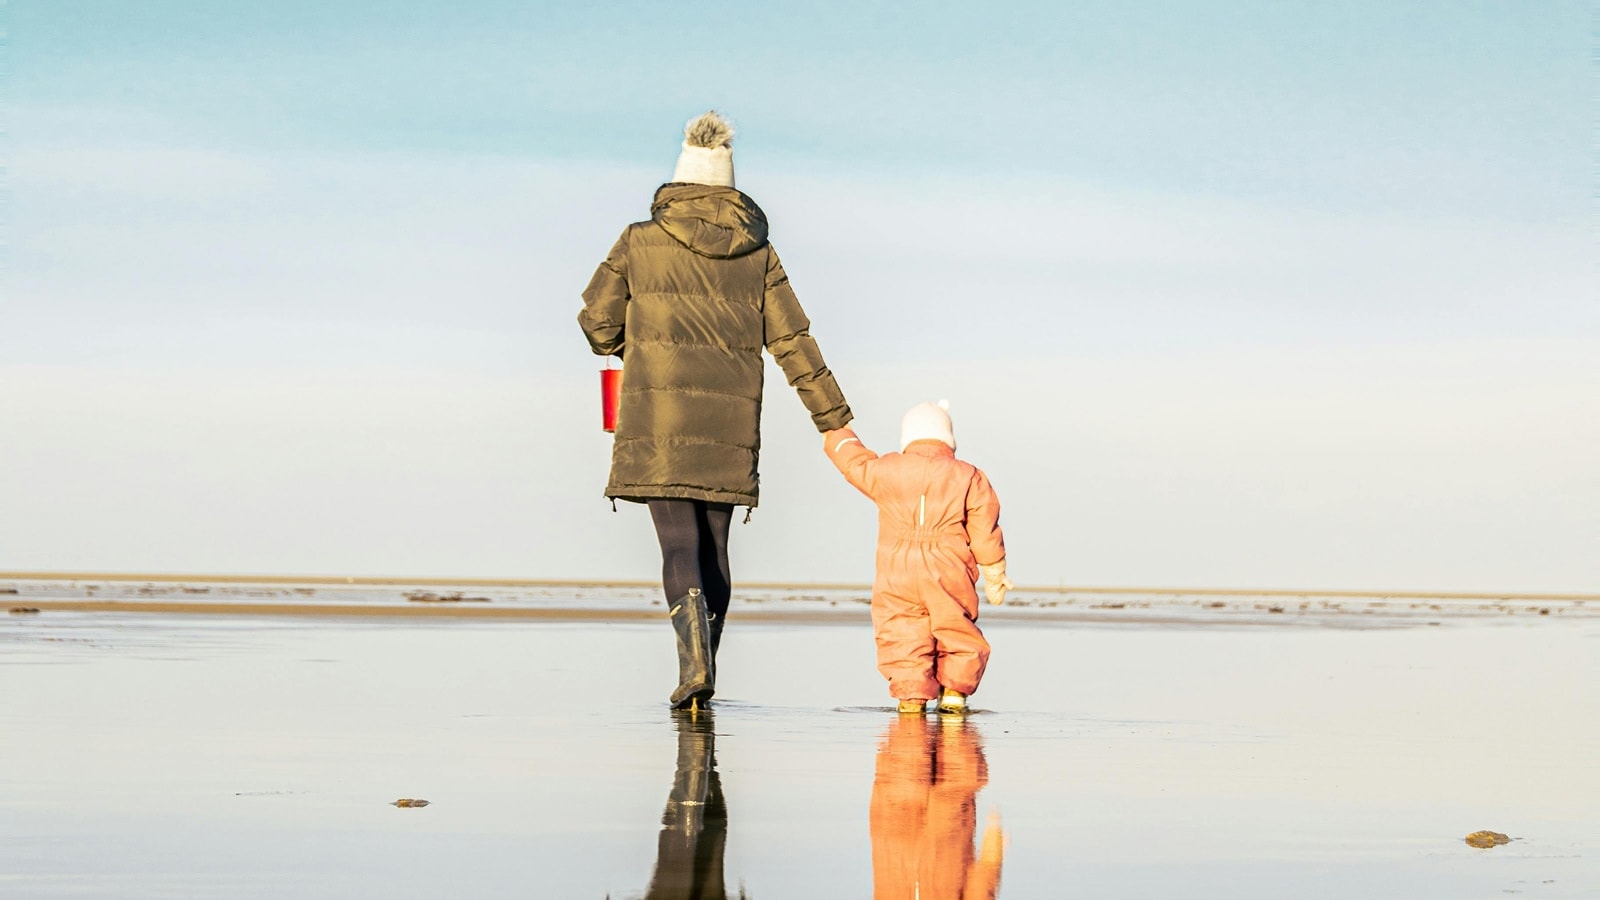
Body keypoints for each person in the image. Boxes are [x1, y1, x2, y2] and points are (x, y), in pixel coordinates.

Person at [579, 110, 853, 710]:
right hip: (730, 426)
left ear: (677, 180)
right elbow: (792, 341)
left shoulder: (638, 240)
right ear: (732, 185)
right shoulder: (759, 253)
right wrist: (835, 421)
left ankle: (692, 670)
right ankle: (705, 677)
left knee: (678, 547)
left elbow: (597, 322)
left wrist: (639, 343)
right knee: (715, 550)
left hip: (658, 421)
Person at [823, 401, 1013, 715]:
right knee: (956, 628)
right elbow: (984, 527)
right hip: (948, 569)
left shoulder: (886, 469)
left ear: (907, 437)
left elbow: (853, 461)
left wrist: (835, 433)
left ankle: (911, 699)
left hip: (897, 572)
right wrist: (994, 570)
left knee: (900, 631)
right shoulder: (969, 476)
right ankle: (954, 693)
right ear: (949, 438)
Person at [870, 715, 1005, 899]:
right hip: (924, 835)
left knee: (908, 761)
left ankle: (926, 696)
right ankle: (946, 695)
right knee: (918, 762)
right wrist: (992, 853)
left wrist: (993, 851)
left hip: (901, 827)